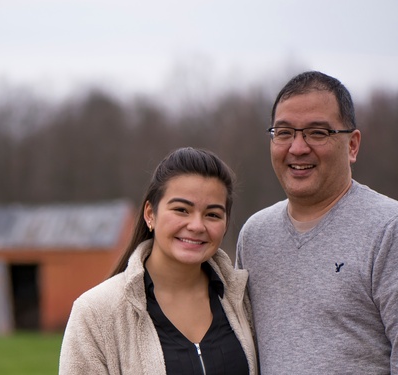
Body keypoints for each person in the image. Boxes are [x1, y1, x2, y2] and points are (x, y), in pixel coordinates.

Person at [236, 71, 398, 374]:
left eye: (317, 133)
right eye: (284, 133)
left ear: (352, 145)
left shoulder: (389, 230)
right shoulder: (255, 236)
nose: (297, 148)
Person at [59, 147, 258, 375]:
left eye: (212, 214)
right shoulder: (95, 312)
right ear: (150, 214)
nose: (196, 226)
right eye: (182, 210)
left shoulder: (243, 300)